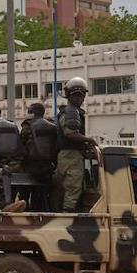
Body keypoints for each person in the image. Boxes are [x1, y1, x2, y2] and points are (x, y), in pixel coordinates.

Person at [55, 77, 96, 212]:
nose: (79, 98)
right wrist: (90, 140)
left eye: (81, 95)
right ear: (68, 95)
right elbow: (71, 134)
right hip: (71, 155)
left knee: (71, 186)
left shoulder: (71, 111)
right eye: (76, 95)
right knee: (73, 186)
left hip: (69, 155)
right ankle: (68, 214)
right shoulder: (71, 112)